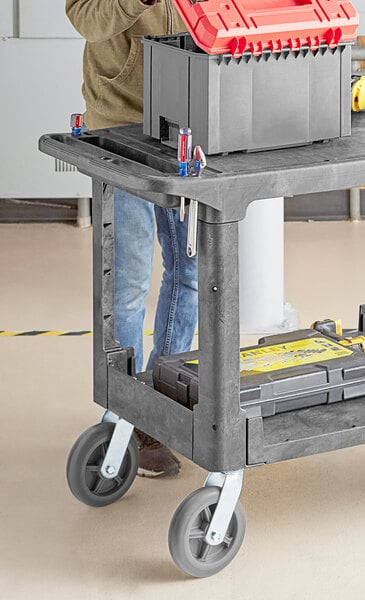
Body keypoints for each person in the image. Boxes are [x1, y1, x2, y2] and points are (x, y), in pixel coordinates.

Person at [66, 0, 197, 477]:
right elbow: (85, 18)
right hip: (119, 126)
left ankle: (162, 404)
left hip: (189, 130)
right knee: (128, 283)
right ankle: (123, 414)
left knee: (191, 275)